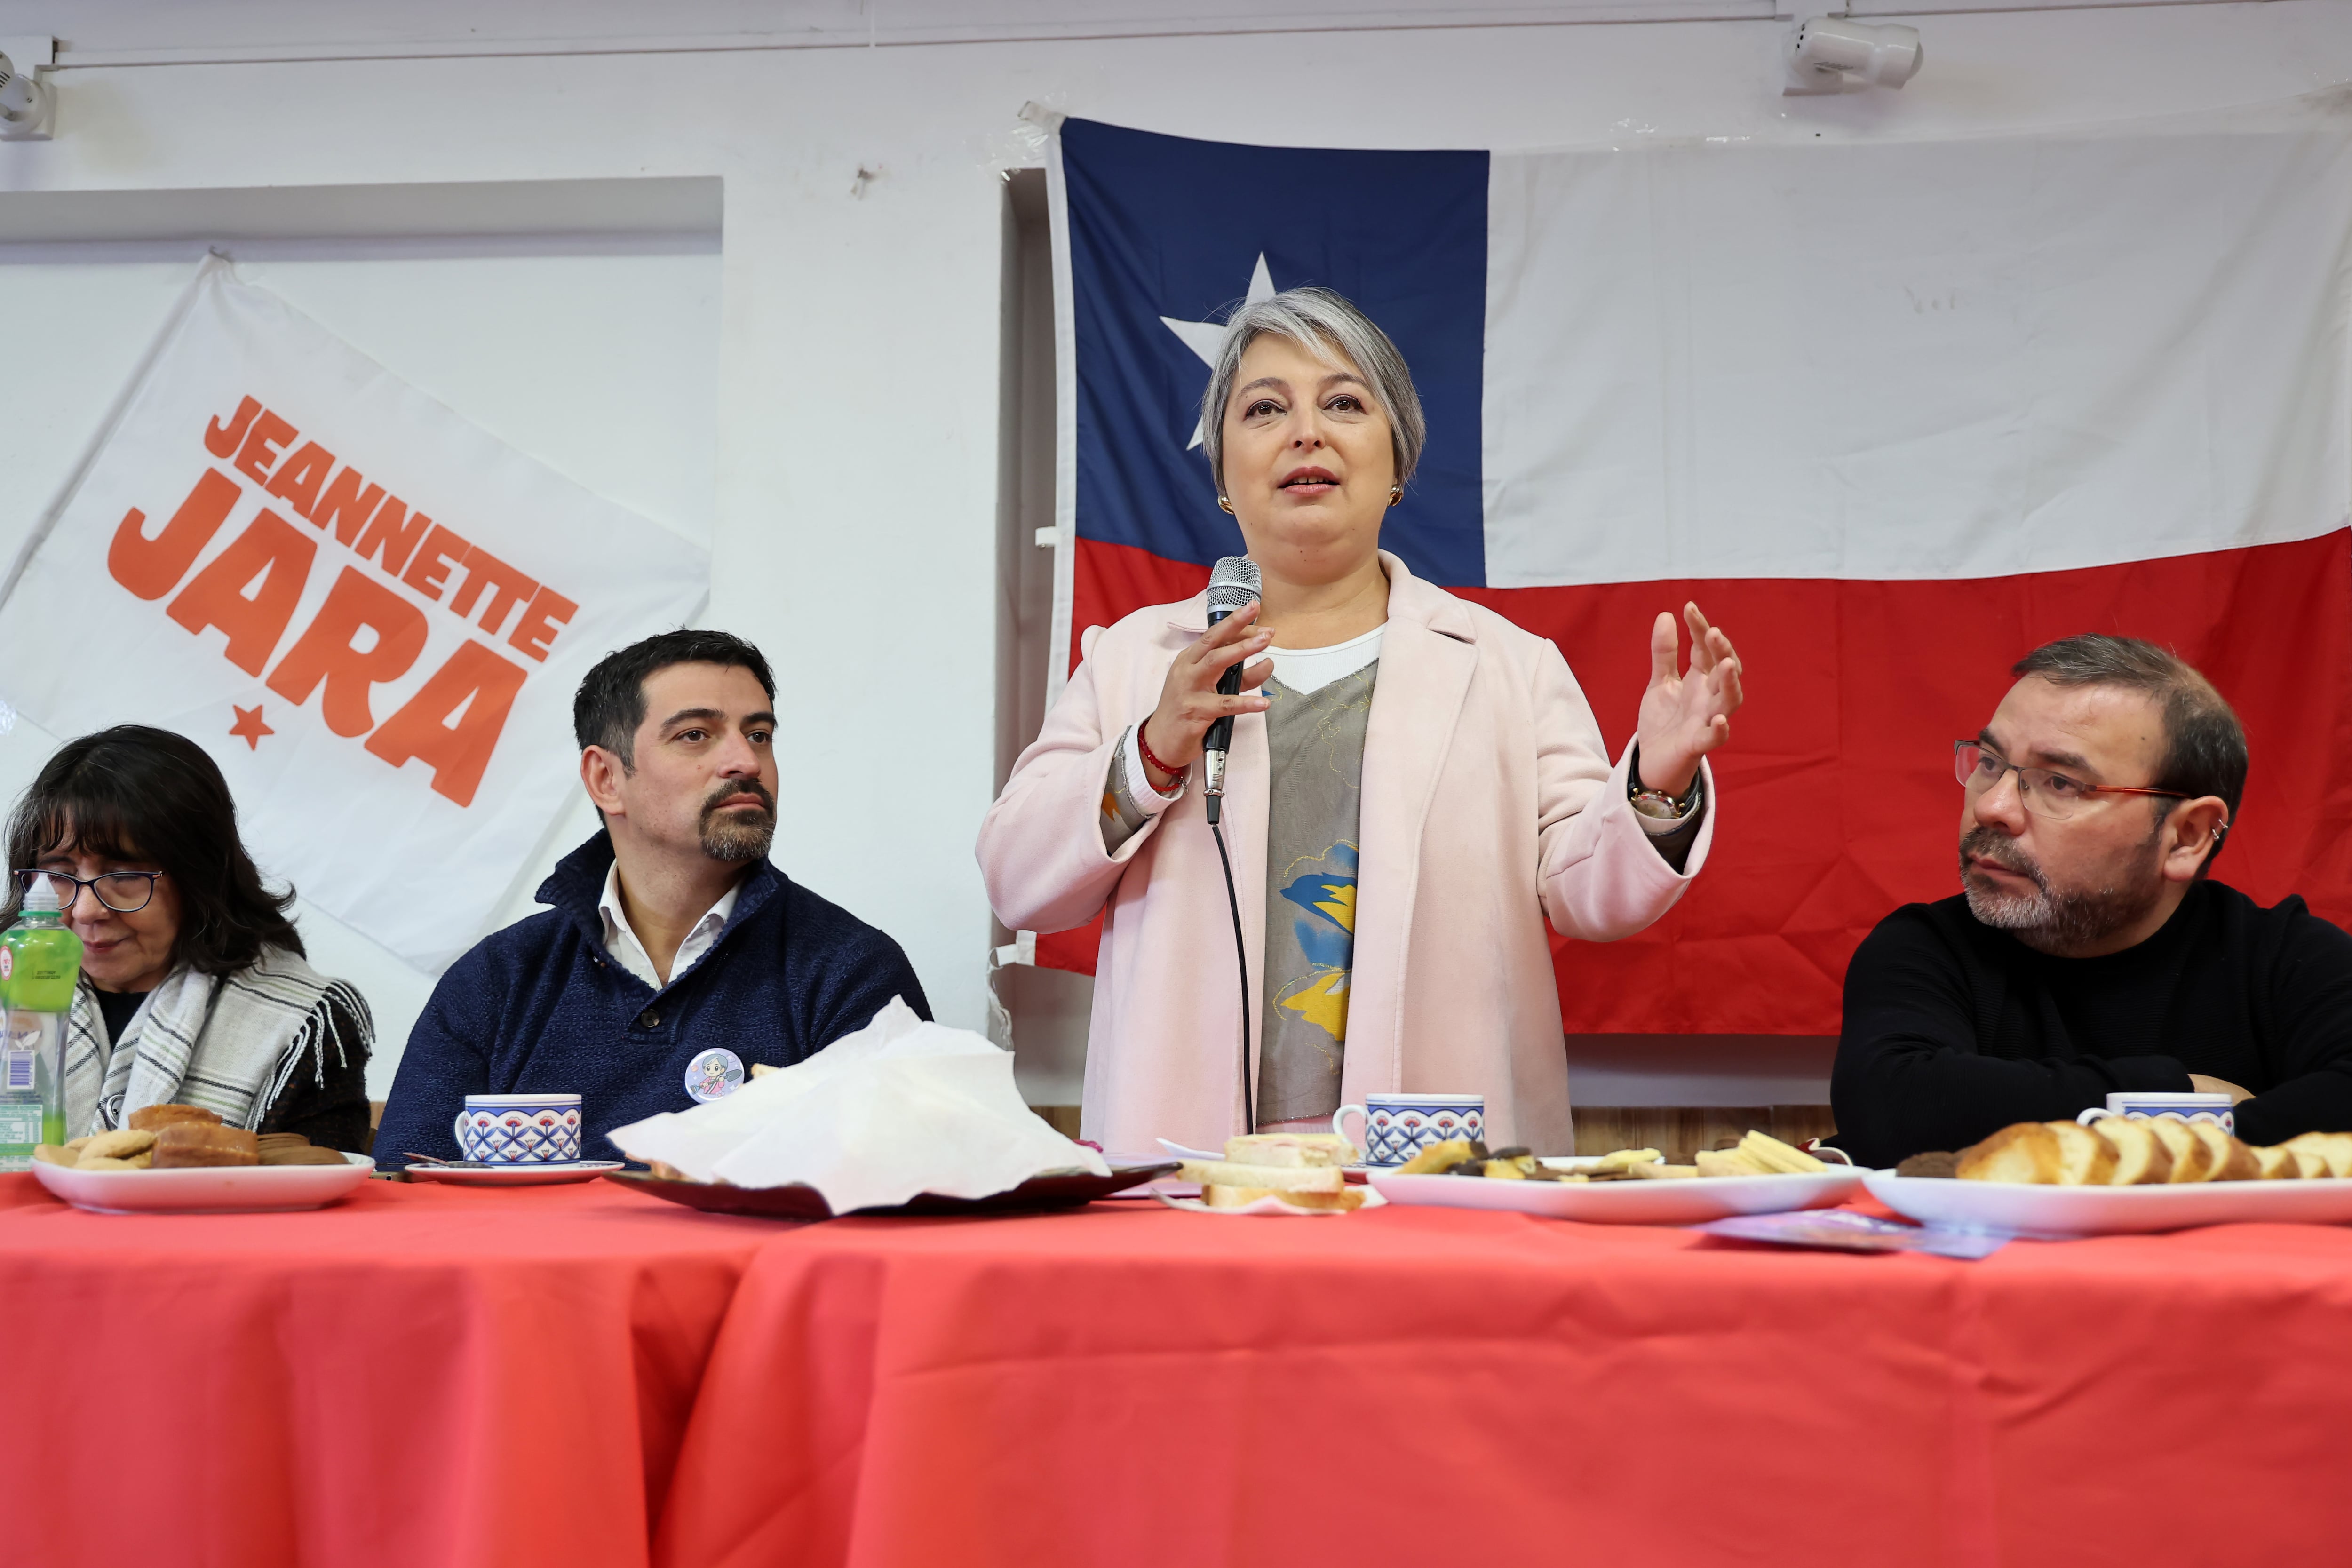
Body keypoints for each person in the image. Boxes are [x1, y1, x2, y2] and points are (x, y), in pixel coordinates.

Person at [977, 287, 1743, 1154]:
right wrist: (1152, 751)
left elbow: (1588, 894)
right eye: (1265, 408)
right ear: (1225, 473)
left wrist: (1659, 780)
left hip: (1436, 1165)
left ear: (1397, 460)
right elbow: (1016, 876)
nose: (1307, 432)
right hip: (1193, 1166)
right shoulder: (1134, 661)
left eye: (1344, 403)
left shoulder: (1505, 665)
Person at [375, 629, 930, 1166]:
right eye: (695, 735)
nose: (746, 761)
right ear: (606, 779)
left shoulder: (852, 970)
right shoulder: (496, 982)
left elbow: (897, 1202)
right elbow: (401, 1202)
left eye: (759, 735)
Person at [1833, 635, 2352, 1168]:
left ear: (2186, 837)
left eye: (2059, 783)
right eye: (1990, 763)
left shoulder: (2284, 957)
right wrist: (2177, 1096)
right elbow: (1889, 1108)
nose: (1992, 808)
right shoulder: (1927, 947)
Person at [8, 726, 372, 1148]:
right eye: (59, 875)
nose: (88, 911)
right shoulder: (10, 988)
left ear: (198, 880)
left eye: (125, 876)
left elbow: (319, 1194)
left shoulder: (300, 1024)